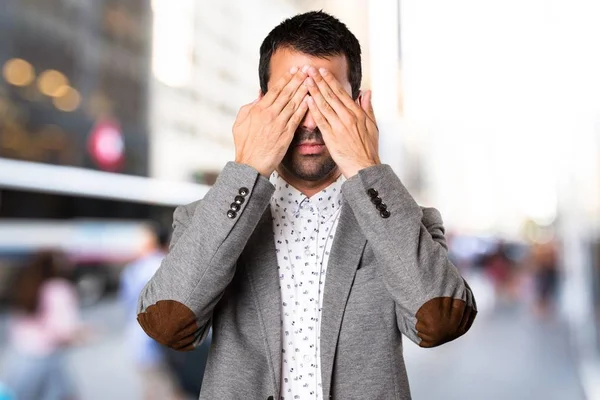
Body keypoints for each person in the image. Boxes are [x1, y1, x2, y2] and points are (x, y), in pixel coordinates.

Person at [137, 11, 477, 400]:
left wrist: (367, 166)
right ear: (262, 104)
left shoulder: (402, 221)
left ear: (358, 105)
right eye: (291, 98)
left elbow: (441, 320)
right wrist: (247, 168)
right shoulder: (206, 219)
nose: (309, 120)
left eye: (327, 98)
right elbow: (167, 322)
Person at [3, 251, 83, 400]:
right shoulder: (58, 289)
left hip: (21, 359)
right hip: (48, 360)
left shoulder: (25, 285)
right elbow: (64, 331)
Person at [120, 225, 181, 400]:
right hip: (159, 345)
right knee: (169, 391)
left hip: (137, 339)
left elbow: (126, 303)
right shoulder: (165, 265)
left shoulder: (132, 269)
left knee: (151, 390)